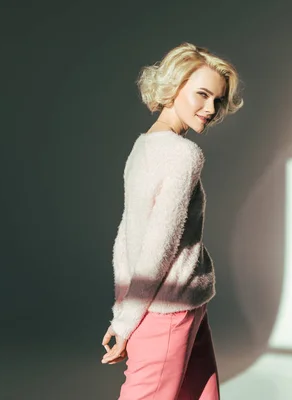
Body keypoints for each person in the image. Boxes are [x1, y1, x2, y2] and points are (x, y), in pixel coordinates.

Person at [100, 42, 243, 400]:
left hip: (183, 304)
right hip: (167, 310)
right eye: (202, 94)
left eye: (218, 100)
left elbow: (127, 235)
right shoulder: (183, 154)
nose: (210, 109)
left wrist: (123, 309)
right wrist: (125, 321)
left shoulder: (143, 146)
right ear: (175, 85)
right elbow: (157, 245)